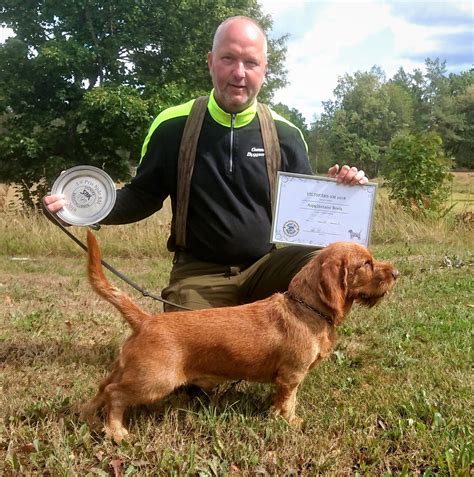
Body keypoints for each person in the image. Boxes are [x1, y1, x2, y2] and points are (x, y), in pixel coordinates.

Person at [44, 16, 368, 311]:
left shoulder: (287, 134)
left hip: (266, 267)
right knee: (196, 371)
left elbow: (306, 220)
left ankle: (293, 348)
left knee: (331, 259)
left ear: (264, 69)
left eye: (250, 62)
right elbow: (141, 196)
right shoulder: (172, 126)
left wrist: (345, 194)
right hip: (198, 272)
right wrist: (84, 208)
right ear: (211, 62)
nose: (239, 73)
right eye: (228, 59)